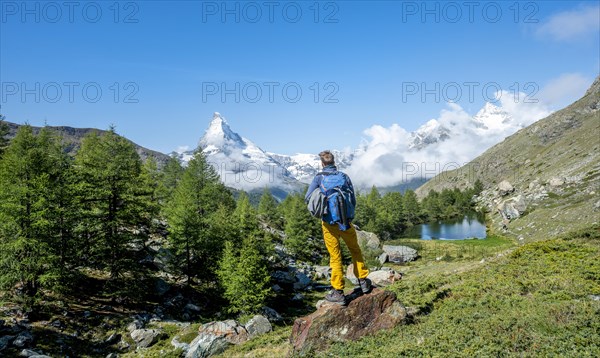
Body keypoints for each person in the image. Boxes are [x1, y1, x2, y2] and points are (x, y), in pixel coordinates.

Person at [305, 150, 372, 304]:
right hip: (346, 222)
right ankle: (363, 281)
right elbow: (353, 199)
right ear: (334, 162)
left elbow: (308, 197)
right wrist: (348, 216)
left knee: (335, 256)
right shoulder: (344, 177)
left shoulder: (319, 178)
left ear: (322, 163)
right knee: (355, 250)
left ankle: (338, 292)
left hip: (329, 224)